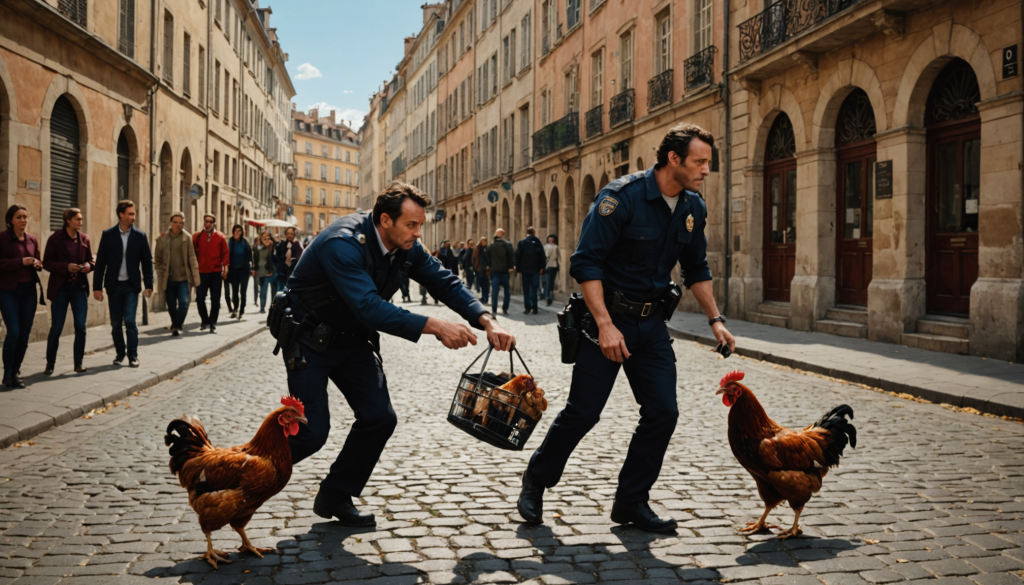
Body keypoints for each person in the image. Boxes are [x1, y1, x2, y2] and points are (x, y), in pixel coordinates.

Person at [517, 124, 737, 533]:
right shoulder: (621, 198)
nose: (707, 169)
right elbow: (586, 263)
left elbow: (696, 268)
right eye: (700, 161)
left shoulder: (693, 207)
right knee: (583, 414)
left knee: (662, 413)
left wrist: (716, 320)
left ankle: (631, 502)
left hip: (651, 326)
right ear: (674, 159)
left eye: (708, 161)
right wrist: (604, 325)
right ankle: (536, 479)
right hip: (604, 322)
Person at [284, 182, 515, 527]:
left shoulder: (406, 246)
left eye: (420, 225)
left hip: (352, 340)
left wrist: (486, 320)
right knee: (312, 432)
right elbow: (368, 307)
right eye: (412, 225)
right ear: (385, 221)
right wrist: (435, 325)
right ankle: (237, 475)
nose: (418, 233)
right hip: (309, 339)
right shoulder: (343, 243)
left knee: (380, 417)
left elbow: (444, 281)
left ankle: (336, 493)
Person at [93, 200, 153, 368]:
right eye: (130, 214)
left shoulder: (139, 236)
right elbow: (100, 263)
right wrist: (97, 287)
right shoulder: (109, 235)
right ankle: (120, 352)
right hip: (114, 286)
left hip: (131, 286)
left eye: (134, 214)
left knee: (130, 321)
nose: (133, 217)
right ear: (121, 214)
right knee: (115, 324)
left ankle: (133, 355)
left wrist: (149, 284)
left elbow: (147, 261)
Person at [43, 207, 94, 373]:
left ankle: (78, 363)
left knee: (81, 326)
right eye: (77, 219)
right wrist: (66, 267)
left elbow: (91, 260)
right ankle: (50, 364)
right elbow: (47, 263)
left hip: (79, 288)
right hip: (61, 289)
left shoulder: (84, 238)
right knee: (57, 327)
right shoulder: (55, 238)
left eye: (80, 219)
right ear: (68, 221)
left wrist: (89, 266)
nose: (81, 222)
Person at [0, 205, 44, 388]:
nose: (23, 220)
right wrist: (20, 262)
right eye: (19, 217)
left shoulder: (32, 239)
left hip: (29, 292)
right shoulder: (2, 238)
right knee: (14, 332)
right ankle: (7, 373)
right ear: (11, 220)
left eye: (25, 217)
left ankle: (16, 372)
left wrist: (37, 264)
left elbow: (39, 261)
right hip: (8, 291)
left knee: (24, 334)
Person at [154, 212, 200, 337]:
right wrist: (161, 269)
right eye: (176, 222)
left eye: (181, 223)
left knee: (184, 303)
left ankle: (177, 325)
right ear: (171, 223)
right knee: (171, 305)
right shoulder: (163, 239)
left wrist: (195, 277)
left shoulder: (187, 238)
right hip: (168, 279)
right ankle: (175, 325)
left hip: (184, 278)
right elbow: (157, 259)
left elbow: (192, 257)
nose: (178, 225)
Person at [192, 214, 229, 333]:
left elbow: (225, 254)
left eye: (210, 222)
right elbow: (193, 254)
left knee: (215, 299)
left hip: (216, 273)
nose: (207, 224)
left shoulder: (220, 237)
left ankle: (213, 323)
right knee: (200, 299)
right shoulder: (197, 237)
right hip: (202, 272)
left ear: (214, 223)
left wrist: (225, 269)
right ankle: (205, 320)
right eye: (206, 221)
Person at [515, 227, 545, 315]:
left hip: (525, 269)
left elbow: (518, 256)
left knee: (526, 289)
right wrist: (542, 267)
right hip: (535, 269)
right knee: (534, 289)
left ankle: (527, 308)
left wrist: (518, 268)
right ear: (534, 232)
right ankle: (534, 307)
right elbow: (542, 256)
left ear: (527, 233)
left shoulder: (522, 242)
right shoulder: (538, 242)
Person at [485, 228, 515, 316]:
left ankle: (494, 309)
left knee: (495, 291)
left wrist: (489, 266)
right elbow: (511, 256)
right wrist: (511, 267)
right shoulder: (508, 244)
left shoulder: (491, 246)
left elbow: (487, 258)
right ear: (503, 234)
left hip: (494, 271)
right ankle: (505, 308)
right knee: (506, 291)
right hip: (505, 271)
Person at [225, 225, 252, 319]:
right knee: (235, 291)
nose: (237, 232)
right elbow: (227, 255)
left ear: (242, 232)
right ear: (233, 232)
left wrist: (251, 268)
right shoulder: (230, 242)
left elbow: (250, 255)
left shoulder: (245, 242)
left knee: (243, 291)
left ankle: (242, 310)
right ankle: (235, 309)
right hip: (234, 270)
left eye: (239, 231)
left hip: (244, 270)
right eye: (236, 231)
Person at [252, 230, 277, 314]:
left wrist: (270, 236)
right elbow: (255, 259)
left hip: (270, 271)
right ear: (261, 239)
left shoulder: (271, 246)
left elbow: (273, 257)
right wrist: (254, 269)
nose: (266, 239)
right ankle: (262, 308)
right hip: (260, 271)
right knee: (263, 291)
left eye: (268, 238)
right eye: (264, 238)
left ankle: (272, 307)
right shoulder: (257, 247)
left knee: (273, 290)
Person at [273, 226, 303, 291]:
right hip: (281, 272)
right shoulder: (281, 244)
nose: (289, 235)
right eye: (288, 233)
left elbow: (298, 258)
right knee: (280, 290)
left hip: (291, 272)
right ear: (285, 234)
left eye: (291, 234)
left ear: (294, 235)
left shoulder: (296, 245)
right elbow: (276, 256)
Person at [542, 234, 560, 306]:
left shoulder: (555, 247)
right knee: (549, 283)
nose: (550, 240)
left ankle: (548, 298)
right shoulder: (548, 247)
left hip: (550, 266)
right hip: (550, 266)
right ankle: (548, 298)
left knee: (549, 283)